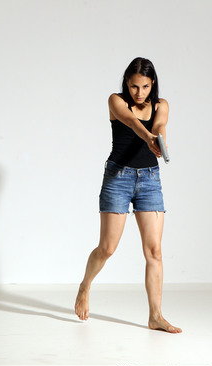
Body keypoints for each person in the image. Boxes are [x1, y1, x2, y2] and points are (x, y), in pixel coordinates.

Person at [74, 57, 181, 333]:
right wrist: (147, 137)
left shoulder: (162, 105)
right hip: (118, 178)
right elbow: (131, 121)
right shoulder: (116, 101)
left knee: (155, 251)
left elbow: (159, 126)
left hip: (149, 179)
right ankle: (85, 286)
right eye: (134, 87)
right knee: (107, 248)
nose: (139, 93)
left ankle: (155, 315)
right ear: (126, 84)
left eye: (144, 87)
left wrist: (158, 138)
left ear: (152, 83)